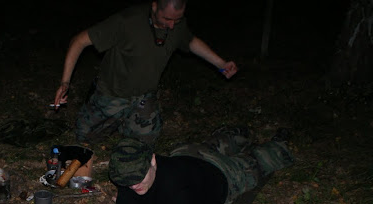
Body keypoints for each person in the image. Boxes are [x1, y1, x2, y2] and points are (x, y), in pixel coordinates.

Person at [53, 0, 238, 144]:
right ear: (154, 6)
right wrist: (65, 83)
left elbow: (190, 42)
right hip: (112, 94)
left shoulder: (177, 24)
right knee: (83, 138)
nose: (172, 25)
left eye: (177, 20)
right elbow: (79, 41)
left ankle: (128, 122)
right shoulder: (127, 21)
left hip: (143, 98)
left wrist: (221, 63)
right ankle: (112, 118)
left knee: (144, 144)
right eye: (167, 19)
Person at [109, 127, 295, 204]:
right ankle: (237, 135)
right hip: (189, 154)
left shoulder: (174, 188)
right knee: (219, 143)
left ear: (153, 161)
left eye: (138, 178)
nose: (133, 185)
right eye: (128, 181)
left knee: (258, 161)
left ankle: (279, 145)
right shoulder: (127, 172)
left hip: (225, 176)